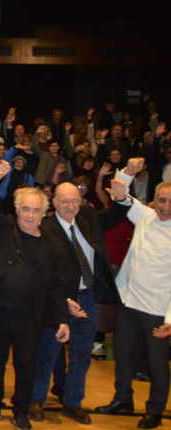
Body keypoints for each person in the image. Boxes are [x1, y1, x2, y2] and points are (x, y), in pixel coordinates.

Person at [0, 159, 70, 430]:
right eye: (25, 209)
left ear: (45, 213)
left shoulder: (53, 245)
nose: (30, 215)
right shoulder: (4, 228)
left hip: (31, 317)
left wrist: (62, 319)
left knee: (26, 366)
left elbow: (58, 286)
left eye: (36, 210)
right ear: (16, 210)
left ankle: (20, 412)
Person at [27, 178, 130, 425]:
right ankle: (36, 400)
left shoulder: (88, 218)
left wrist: (121, 197)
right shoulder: (45, 229)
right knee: (48, 353)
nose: (71, 206)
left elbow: (116, 215)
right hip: (58, 302)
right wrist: (64, 300)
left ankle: (73, 403)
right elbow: (42, 273)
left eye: (75, 201)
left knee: (82, 355)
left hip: (87, 299)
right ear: (54, 203)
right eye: (65, 202)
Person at [95, 161, 171, 430]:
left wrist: (170, 319)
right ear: (154, 200)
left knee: (157, 364)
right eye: (162, 200)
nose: (166, 206)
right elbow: (122, 195)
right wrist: (128, 171)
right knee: (123, 354)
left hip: (158, 310)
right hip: (129, 301)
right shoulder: (146, 215)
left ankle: (155, 410)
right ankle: (123, 399)